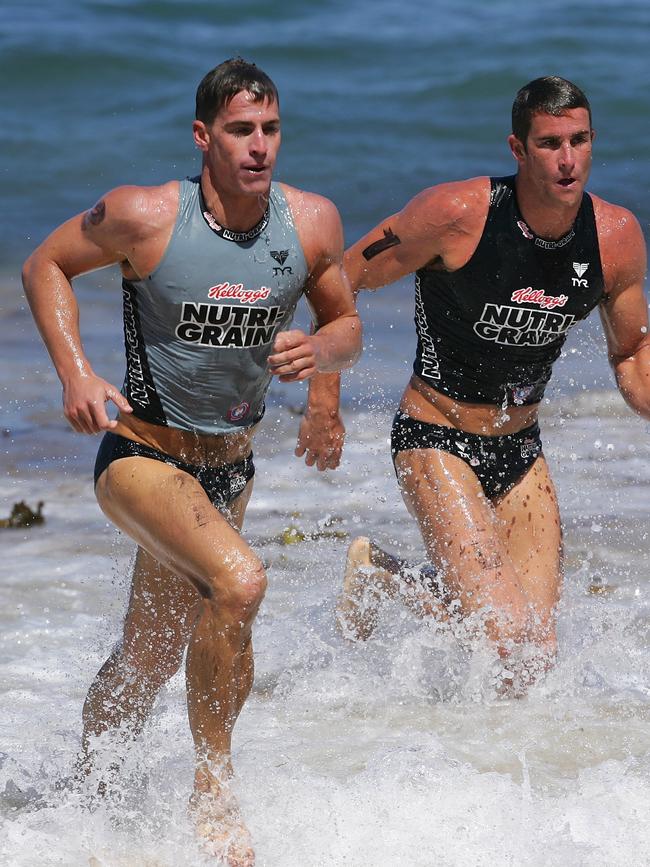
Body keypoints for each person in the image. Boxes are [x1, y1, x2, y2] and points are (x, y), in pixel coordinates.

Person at [21, 58, 361, 865]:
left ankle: (88, 793)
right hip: (140, 452)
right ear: (204, 136)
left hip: (228, 468)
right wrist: (75, 371)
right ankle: (213, 783)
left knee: (149, 654)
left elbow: (346, 319)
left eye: (271, 130)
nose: (259, 147)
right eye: (241, 131)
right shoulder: (145, 215)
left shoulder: (311, 221)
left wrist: (319, 366)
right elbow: (45, 266)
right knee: (241, 581)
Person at [334, 75, 648, 691]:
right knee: (504, 636)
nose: (567, 159)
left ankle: (490, 766)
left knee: (533, 659)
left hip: (520, 448)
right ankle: (384, 577)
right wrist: (322, 399)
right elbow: (339, 282)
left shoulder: (614, 238)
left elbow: (633, 353)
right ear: (518, 149)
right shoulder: (455, 217)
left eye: (579, 141)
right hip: (435, 435)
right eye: (550, 143)